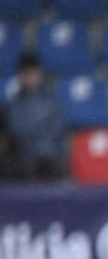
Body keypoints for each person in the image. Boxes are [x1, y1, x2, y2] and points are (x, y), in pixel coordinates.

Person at [6, 53, 66, 182]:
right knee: (24, 164)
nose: (31, 78)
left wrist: (42, 143)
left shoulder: (51, 100)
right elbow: (16, 129)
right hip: (26, 153)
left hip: (49, 152)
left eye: (33, 73)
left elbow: (57, 127)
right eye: (27, 74)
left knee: (56, 161)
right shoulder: (15, 103)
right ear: (21, 76)